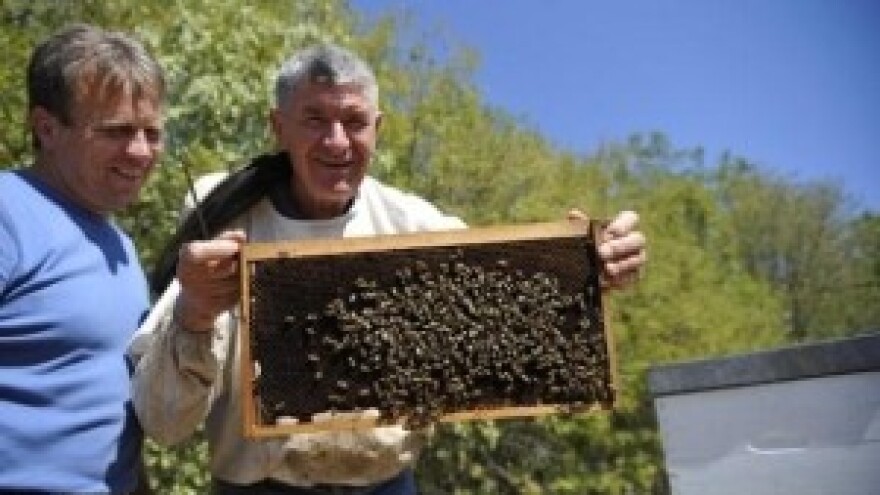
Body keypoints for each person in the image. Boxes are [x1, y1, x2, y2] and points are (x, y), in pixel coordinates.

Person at [133, 44, 646, 495]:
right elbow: (165, 422)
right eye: (314, 120)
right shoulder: (220, 213)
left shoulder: (416, 225)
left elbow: (515, 304)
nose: (336, 142)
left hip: (388, 484)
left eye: (354, 122)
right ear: (278, 127)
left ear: (377, 129)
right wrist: (196, 312)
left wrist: (587, 271)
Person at [0, 24, 165, 494]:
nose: (139, 152)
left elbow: (106, 408)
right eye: (116, 132)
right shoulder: (8, 213)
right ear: (47, 128)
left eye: (151, 133)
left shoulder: (121, 247)